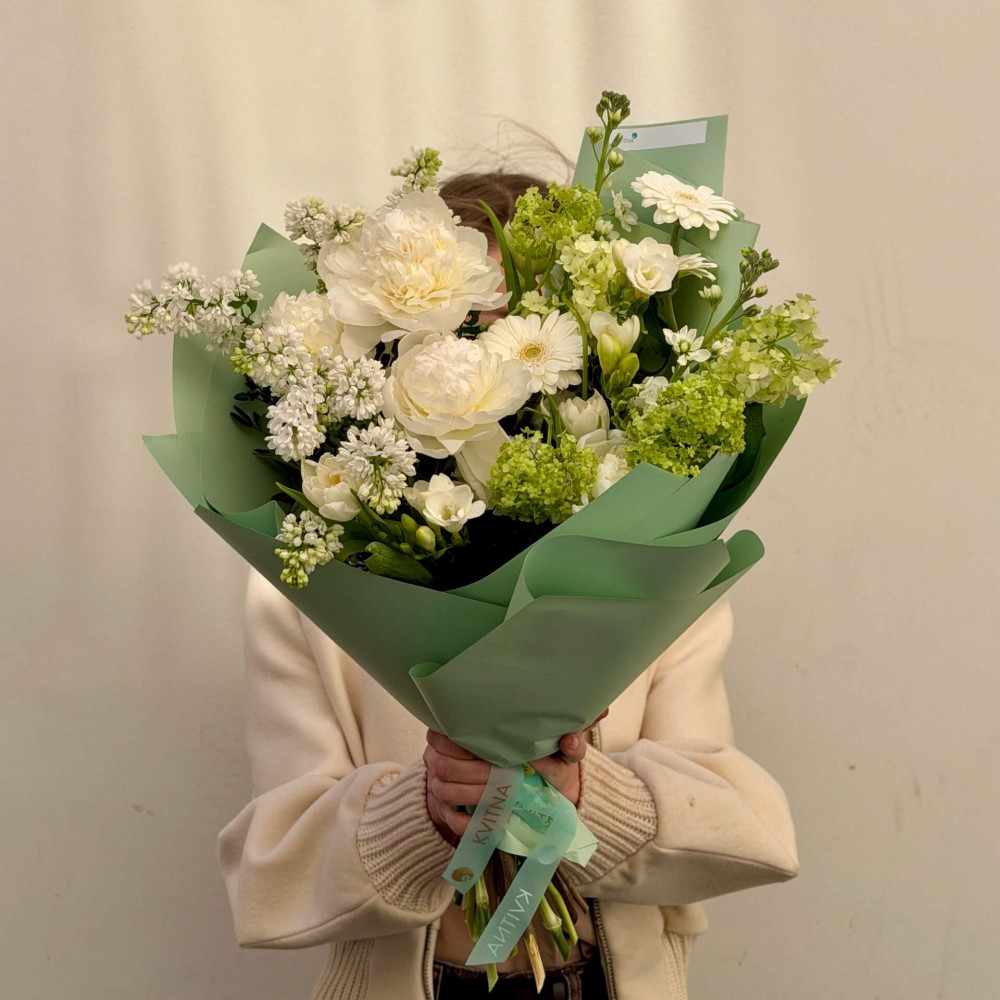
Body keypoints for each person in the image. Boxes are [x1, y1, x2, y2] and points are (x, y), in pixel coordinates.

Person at [217, 171, 800, 1000]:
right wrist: (426, 811)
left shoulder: (663, 574)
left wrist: (583, 794)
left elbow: (745, 830)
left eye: (520, 324)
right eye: (459, 329)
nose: (485, 363)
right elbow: (272, 872)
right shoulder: (306, 584)